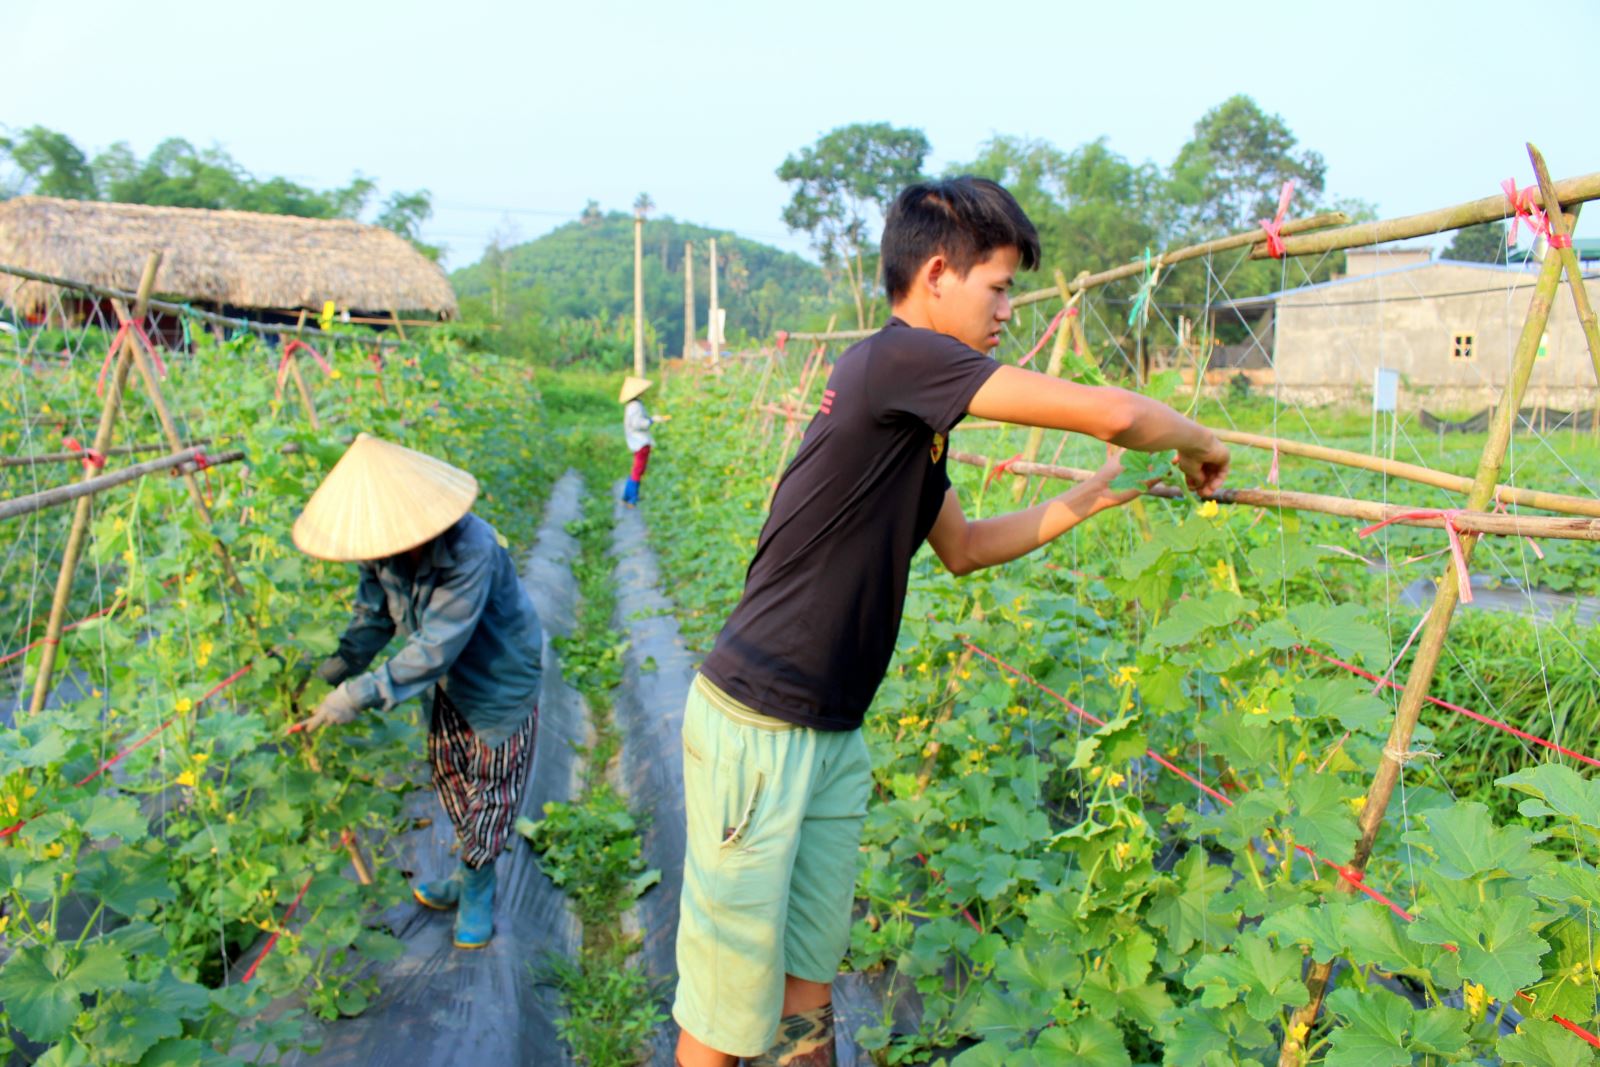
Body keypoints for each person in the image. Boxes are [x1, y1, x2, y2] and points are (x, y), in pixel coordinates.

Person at [673, 177, 1231, 1066]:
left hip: (830, 731)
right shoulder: (897, 361)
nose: (1009, 307)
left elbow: (964, 545)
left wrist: (1077, 504)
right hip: (757, 722)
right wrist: (1200, 440)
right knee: (724, 1004)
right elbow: (1118, 414)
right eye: (1000, 286)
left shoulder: (913, 417)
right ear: (937, 273)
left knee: (806, 986)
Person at [292, 433, 543, 951]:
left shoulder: (471, 549)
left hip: (498, 681)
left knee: (490, 791)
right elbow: (373, 618)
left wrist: (356, 695)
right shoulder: (380, 549)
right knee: (451, 776)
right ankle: (468, 867)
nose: (380, 554)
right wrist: (335, 669)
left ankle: (478, 885)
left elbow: (436, 646)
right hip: (443, 687)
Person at [619, 375, 661, 506]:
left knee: (636, 469)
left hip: (635, 442)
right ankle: (632, 499)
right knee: (638, 470)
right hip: (641, 442)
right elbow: (638, 423)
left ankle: (626, 497)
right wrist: (651, 420)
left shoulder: (630, 405)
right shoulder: (636, 405)